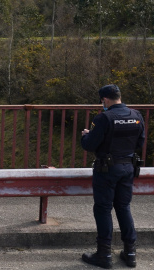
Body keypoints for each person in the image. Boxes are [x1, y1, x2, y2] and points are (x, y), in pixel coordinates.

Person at [81, 84, 145, 269]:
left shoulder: (104, 117)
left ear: (105, 100)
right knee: (124, 207)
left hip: (107, 170)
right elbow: (140, 142)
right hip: (128, 167)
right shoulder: (136, 116)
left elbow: (90, 145)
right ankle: (130, 253)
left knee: (103, 209)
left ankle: (104, 254)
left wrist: (86, 135)